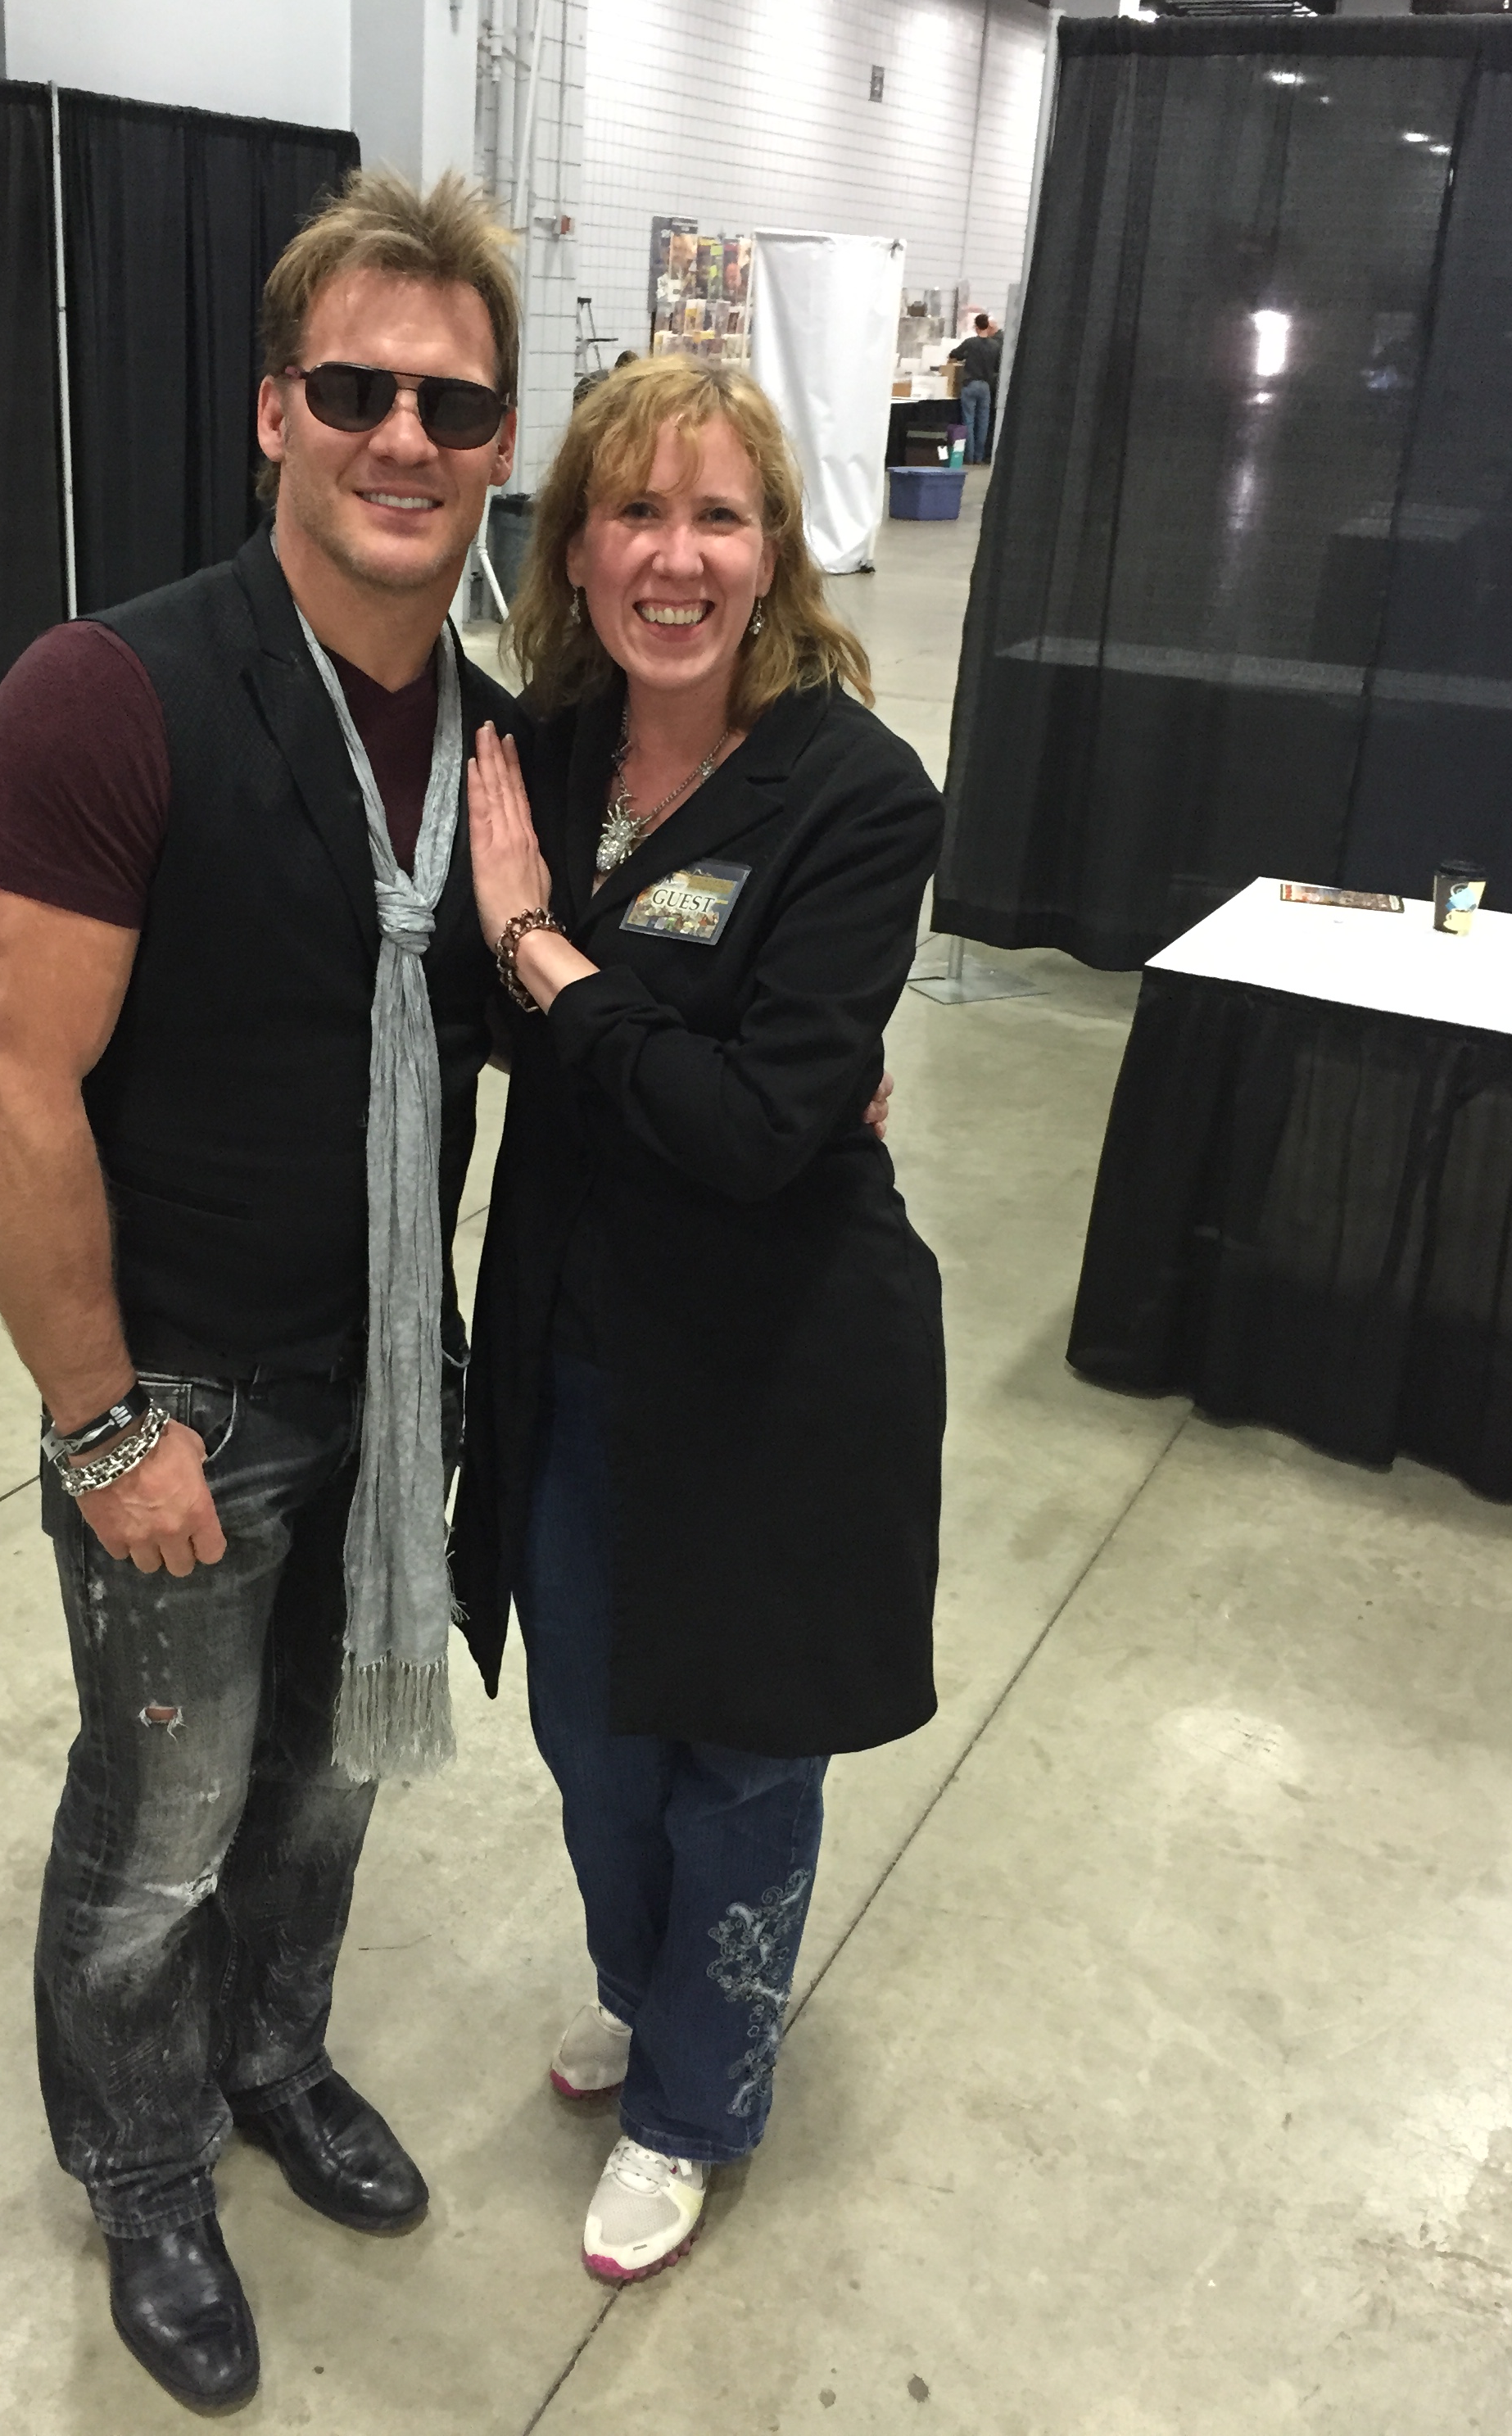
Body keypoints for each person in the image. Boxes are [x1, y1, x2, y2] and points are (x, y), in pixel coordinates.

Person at [0, 170, 523, 2413]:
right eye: (355, 390)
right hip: (181, 1395)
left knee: (330, 1784)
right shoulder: (110, 698)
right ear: (274, 409)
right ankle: (144, 2159)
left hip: (392, 1377)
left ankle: (275, 2059)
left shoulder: (496, 744)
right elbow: (7, 1093)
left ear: (496, 440)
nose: (402, 438)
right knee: (164, 1820)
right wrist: (104, 1422)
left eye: (450, 403)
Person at [452, 355, 946, 2284]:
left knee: (737, 1755)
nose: (674, 557)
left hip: (774, 1360)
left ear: (774, 550)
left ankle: (695, 2099)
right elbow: (512, 1026)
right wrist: (560, 987)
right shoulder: (546, 757)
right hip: (575, 1340)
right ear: (574, 549)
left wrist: (544, 951)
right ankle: (638, 1984)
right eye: (634, 514)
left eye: (717, 516)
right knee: (591, 1725)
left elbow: (751, 1134)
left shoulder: (854, 796)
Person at [952, 311, 1000, 464]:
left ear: (976, 326)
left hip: (970, 384)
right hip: (985, 386)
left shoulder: (970, 343)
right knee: (983, 422)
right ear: (988, 326)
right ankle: (979, 457)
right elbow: (997, 366)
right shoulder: (995, 345)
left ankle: (969, 456)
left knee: (969, 421)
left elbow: (954, 354)